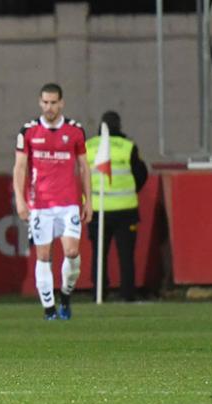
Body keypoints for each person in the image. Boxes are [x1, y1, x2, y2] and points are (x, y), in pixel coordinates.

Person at [12, 83, 93, 321]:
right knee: (44, 256)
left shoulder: (75, 131)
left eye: (53, 102)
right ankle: (49, 310)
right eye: (45, 102)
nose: (49, 107)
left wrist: (88, 200)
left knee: (71, 252)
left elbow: (84, 167)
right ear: (40, 103)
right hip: (40, 205)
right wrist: (20, 199)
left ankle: (66, 296)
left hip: (69, 203)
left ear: (62, 103)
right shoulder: (28, 131)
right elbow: (19, 167)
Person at [86, 111, 148, 302]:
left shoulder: (88, 146)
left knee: (99, 255)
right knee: (126, 256)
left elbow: (80, 176)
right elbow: (141, 174)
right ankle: (127, 295)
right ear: (119, 126)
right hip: (125, 210)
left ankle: (99, 293)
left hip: (97, 209)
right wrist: (130, 190)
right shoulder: (128, 146)